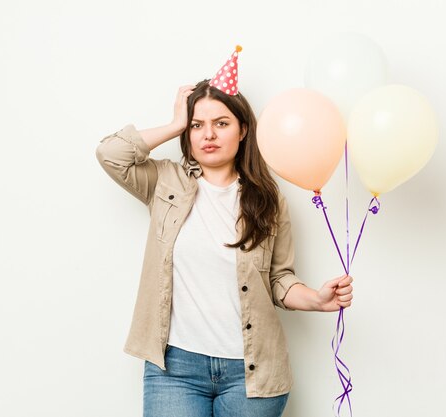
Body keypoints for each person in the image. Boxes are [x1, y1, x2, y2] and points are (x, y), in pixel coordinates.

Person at [95, 49, 353, 417]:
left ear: (243, 129)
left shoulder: (267, 200)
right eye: (198, 125)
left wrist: (315, 298)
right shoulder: (164, 181)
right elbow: (111, 153)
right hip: (175, 371)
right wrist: (174, 124)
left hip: (252, 375)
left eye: (221, 123)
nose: (208, 135)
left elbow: (279, 278)